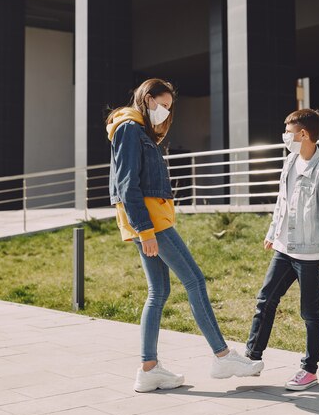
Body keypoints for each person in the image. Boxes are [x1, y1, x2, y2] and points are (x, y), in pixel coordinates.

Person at [107, 78, 263, 393]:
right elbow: (127, 185)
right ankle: (221, 356)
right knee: (194, 280)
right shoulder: (129, 128)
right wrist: (145, 230)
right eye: (162, 104)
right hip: (151, 222)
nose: (165, 111)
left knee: (158, 292)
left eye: (169, 106)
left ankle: (149, 369)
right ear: (147, 100)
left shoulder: (138, 131)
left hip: (150, 221)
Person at [245, 108, 319, 391]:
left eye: (288, 132)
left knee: (310, 313)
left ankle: (309, 369)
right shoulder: (289, 161)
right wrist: (272, 232)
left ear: (303, 135)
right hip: (284, 249)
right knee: (265, 300)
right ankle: (252, 358)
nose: (285, 136)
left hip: (311, 256)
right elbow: (283, 202)